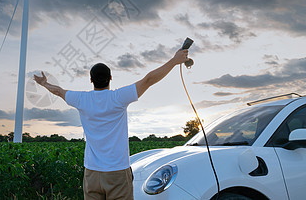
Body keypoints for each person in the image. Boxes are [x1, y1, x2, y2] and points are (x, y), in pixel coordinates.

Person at [33, 48, 189, 199]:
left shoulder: (81, 99)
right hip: (117, 173)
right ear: (111, 78)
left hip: (92, 174)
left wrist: (44, 84)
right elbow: (148, 80)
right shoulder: (118, 98)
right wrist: (175, 61)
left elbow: (59, 91)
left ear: (91, 80)